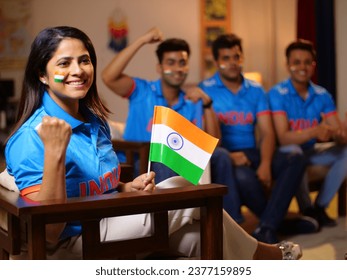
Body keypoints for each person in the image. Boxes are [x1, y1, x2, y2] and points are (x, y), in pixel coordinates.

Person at [4, 26, 301, 260]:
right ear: (42, 75)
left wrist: (124, 188)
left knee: (201, 236)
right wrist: (55, 152)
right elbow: (51, 233)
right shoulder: (30, 138)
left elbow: (94, 185)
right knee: (186, 193)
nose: (78, 70)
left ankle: (261, 263)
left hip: (109, 220)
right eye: (64, 63)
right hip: (75, 242)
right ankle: (267, 255)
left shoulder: (94, 119)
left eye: (84, 60)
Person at [102, 27, 235, 215]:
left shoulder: (191, 100)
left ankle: (227, 221)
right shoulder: (142, 90)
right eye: (171, 63)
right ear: (159, 68)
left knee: (221, 155)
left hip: (178, 161)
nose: (177, 69)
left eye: (182, 63)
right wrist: (142, 40)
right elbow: (109, 77)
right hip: (141, 161)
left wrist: (207, 103)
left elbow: (213, 145)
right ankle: (169, 223)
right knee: (165, 157)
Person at [198, 33, 315, 244]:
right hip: (227, 157)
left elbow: (268, 132)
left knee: (296, 157)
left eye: (236, 57)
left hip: (254, 153)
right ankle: (278, 224)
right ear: (216, 62)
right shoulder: (205, 90)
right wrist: (231, 157)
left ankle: (267, 226)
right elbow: (204, 137)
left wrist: (266, 164)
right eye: (226, 58)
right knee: (243, 178)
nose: (233, 63)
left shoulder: (256, 90)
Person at [267, 39, 347, 228]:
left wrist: (341, 133)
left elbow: (336, 130)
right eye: (296, 62)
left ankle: (319, 207)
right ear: (288, 65)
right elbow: (283, 137)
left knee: (346, 152)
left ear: (313, 65)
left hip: (311, 151)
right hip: (286, 154)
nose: (302, 67)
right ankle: (307, 209)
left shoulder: (322, 94)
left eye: (307, 62)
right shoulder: (277, 93)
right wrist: (315, 131)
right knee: (295, 151)